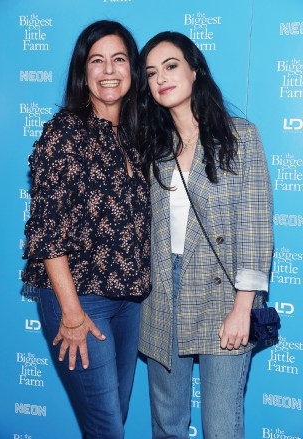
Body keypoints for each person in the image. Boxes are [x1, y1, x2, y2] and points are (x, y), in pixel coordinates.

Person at [138, 31, 273, 439]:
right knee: (168, 424)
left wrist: (242, 308)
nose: (161, 77)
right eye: (151, 72)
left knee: (220, 427)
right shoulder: (153, 146)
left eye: (171, 65)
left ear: (195, 70)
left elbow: (256, 228)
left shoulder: (239, 137)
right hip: (162, 291)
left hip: (223, 295)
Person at [22, 20, 150, 439]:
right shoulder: (66, 133)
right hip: (80, 301)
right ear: (84, 71)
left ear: (132, 69)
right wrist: (72, 314)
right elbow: (46, 231)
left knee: (117, 412)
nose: (108, 69)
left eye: (118, 59)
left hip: (129, 303)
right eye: (97, 60)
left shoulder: (134, 136)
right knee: (106, 428)